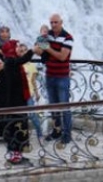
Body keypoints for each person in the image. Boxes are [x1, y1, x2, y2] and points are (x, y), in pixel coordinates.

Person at [0, 45, 34, 164]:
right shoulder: (10, 61)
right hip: (14, 102)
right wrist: (32, 51)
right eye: (18, 46)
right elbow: (22, 60)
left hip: (17, 102)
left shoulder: (10, 62)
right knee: (15, 129)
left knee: (17, 129)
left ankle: (16, 155)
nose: (20, 49)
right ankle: (14, 157)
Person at [36, 13, 73, 144]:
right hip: (50, 75)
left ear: (61, 22)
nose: (53, 25)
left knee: (64, 106)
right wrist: (41, 40)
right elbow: (39, 50)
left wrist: (48, 48)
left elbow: (62, 57)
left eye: (56, 22)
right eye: (51, 22)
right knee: (53, 107)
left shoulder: (68, 38)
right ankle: (56, 131)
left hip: (62, 77)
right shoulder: (48, 35)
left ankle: (67, 134)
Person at [18, 43, 43, 140]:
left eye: (25, 50)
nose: (23, 52)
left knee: (33, 115)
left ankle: (39, 133)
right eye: (21, 51)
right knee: (20, 115)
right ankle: (22, 134)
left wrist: (37, 94)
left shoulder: (32, 66)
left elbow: (33, 81)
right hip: (18, 94)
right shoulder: (17, 63)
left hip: (29, 94)